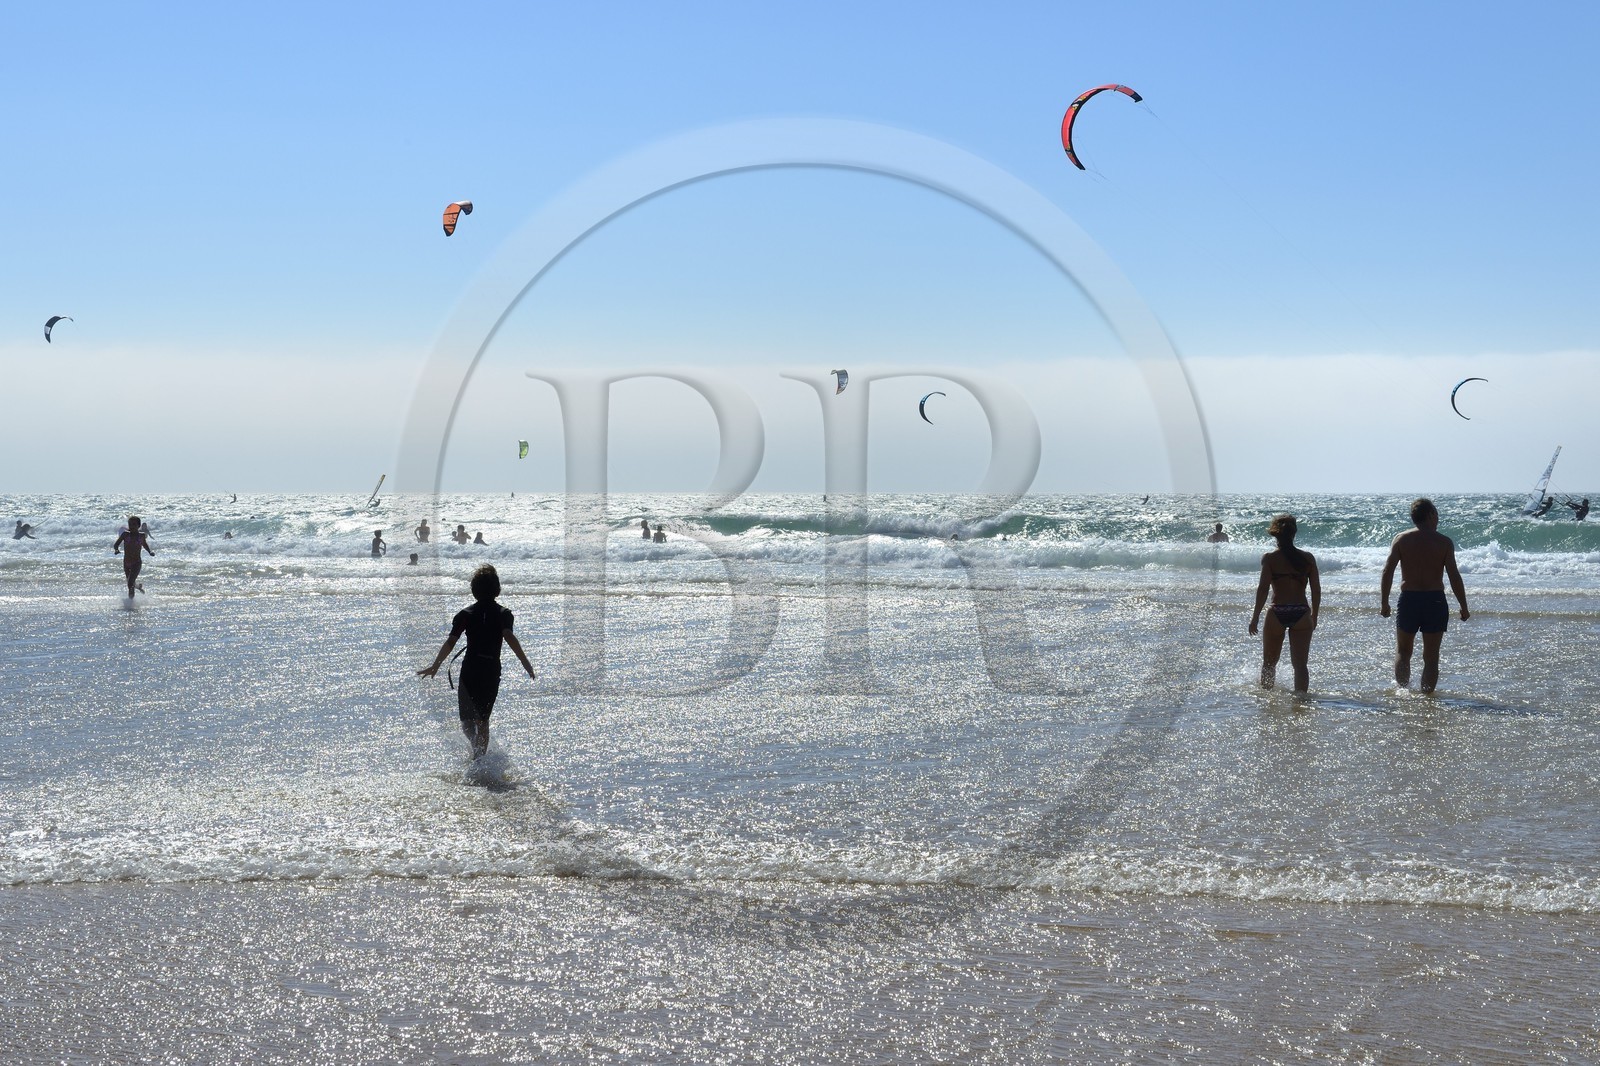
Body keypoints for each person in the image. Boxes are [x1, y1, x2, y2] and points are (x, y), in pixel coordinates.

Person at [417, 564, 536, 759]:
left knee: (467, 721)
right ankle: (478, 755)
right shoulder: (502, 614)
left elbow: (451, 641)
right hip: (489, 670)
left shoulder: (466, 614)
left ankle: (478, 754)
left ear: (474, 590)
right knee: (482, 720)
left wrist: (436, 665)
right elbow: (509, 636)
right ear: (497, 589)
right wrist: (525, 662)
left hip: (470, 670)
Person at [1380, 498, 1469, 694]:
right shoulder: (1444, 542)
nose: (1438, 517)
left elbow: (1388, 571)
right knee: (1431, 656)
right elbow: (1454, 576)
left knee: (1403, 652)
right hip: (1434, 601)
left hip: (1409, 600)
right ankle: (1426, 698)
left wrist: (1384, 602)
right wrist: (1463, 605)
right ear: (1429, 515)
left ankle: (1403, 692)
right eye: (1436, 513)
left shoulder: (1402, 539)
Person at [1248, 514, 1320, 693]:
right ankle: (1301, 702)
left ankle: (1266, 699)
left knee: (1269, 663)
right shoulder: (1307, 558)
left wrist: (1255, 617)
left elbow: (1263, 589)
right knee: (1301, 666)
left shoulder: (1270, 558)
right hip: (1302, 612)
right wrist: (1314, 615)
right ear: (1294, 533)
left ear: (1275, 534)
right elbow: (1316, 590)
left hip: (1277, 612)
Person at [112, 516, 154, 597]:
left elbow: (145, 545)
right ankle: (138, 587)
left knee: (130, 583)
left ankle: (130, 604)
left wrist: (150, 551)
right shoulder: (125, 535)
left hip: (136, 563)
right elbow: (116, 544)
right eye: (130, 524)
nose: (132, 526)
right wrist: (116, 550)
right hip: (126, 563)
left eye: (134, 524)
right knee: (130, 583)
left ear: (139, 526)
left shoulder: (141, 536)